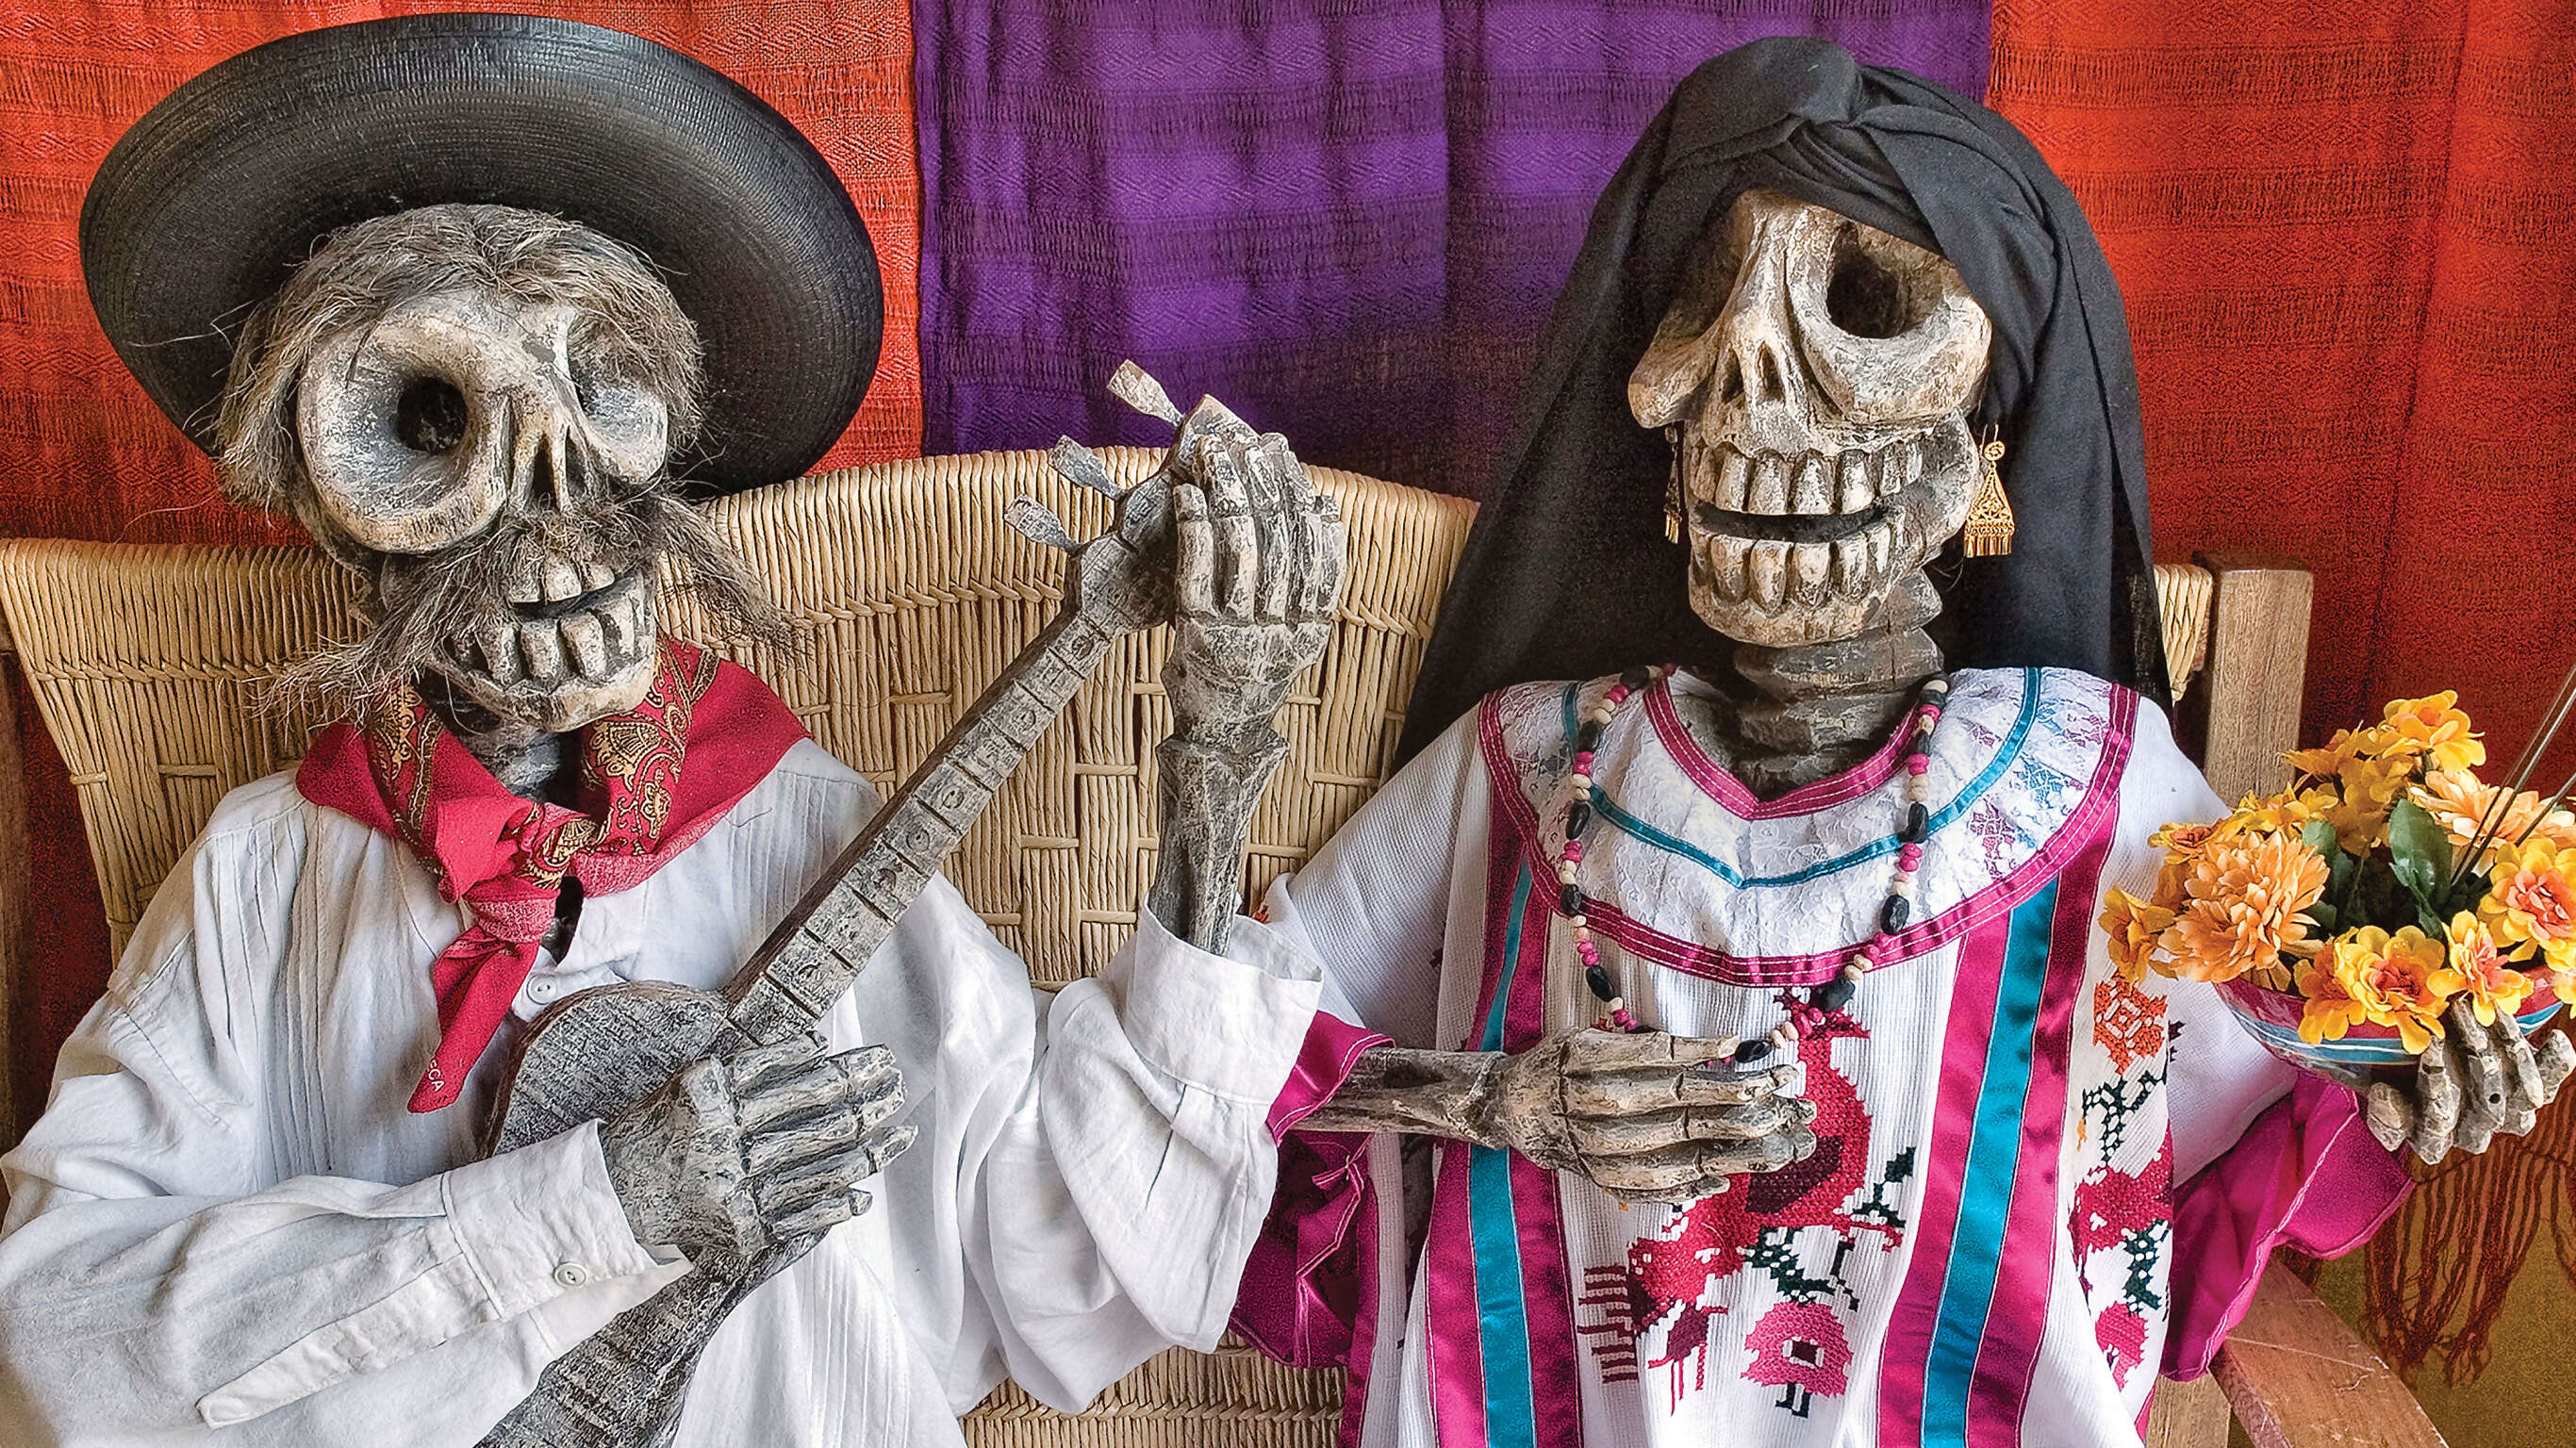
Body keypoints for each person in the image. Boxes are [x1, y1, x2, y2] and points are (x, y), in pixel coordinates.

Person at [1190, 38, 2562, 1448]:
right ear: (1653, 420)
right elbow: (1211, 1062)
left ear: (1984, 444)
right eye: (1708, 323)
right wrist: (1489, 1098)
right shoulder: (1540, 768)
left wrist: (2397, 1093)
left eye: (1866, 316)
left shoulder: (2093, 785)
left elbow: (2189, 1174)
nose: (1755, 399)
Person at [0, 18, 1346, 1445]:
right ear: (330, 505)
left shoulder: (808, 829)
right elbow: (56, 1335)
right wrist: (581, 1211)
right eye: (428, 418)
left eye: (598, 392)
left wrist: (1218, 759)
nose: (550, 510)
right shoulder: (265, 876)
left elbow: (1078, 1265)